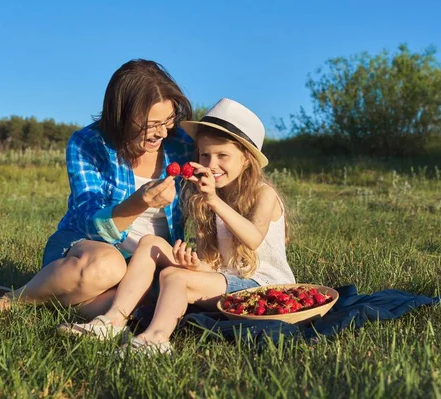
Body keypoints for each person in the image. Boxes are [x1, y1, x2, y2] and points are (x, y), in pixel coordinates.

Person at [0, 59, 194, 319]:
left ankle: (58, 298)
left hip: (148, 261)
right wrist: (139, 202)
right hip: (89, 249)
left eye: (168, 120)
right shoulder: (88, 144)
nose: (161, 132)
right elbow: (90, 222)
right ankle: (10, 301)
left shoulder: (182, 143)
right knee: (109, 267)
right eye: (150, 124)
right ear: (122, 115)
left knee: (155, 295)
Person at [58, 98, 295, 354]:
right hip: (224, 282)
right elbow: (212, 264)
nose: (212, 164)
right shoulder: (208, 197)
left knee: (174, 277)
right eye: (205, 155)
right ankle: (114, 320)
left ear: (246, 160)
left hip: (263, 286)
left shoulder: (263, 193)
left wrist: (213, 201)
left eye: (223, 156)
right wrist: (196, 266)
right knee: (150, 244)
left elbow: (254, 239)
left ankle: (156, 339)